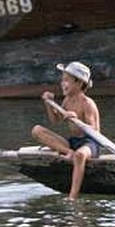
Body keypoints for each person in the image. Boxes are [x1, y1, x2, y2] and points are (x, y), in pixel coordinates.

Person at [30, 61, 101, 201]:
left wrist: (77, 120)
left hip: (90, 144)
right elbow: (55, 121)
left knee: (80, 155)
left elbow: (95, 131)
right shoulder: (67, 100)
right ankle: (69, 152)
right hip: (73, 143)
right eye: (62, 80)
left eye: (66, 80)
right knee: (37, 130)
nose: (62, 83)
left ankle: (72, 197)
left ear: (79, 83)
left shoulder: (87, 103)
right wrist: (49, 104)